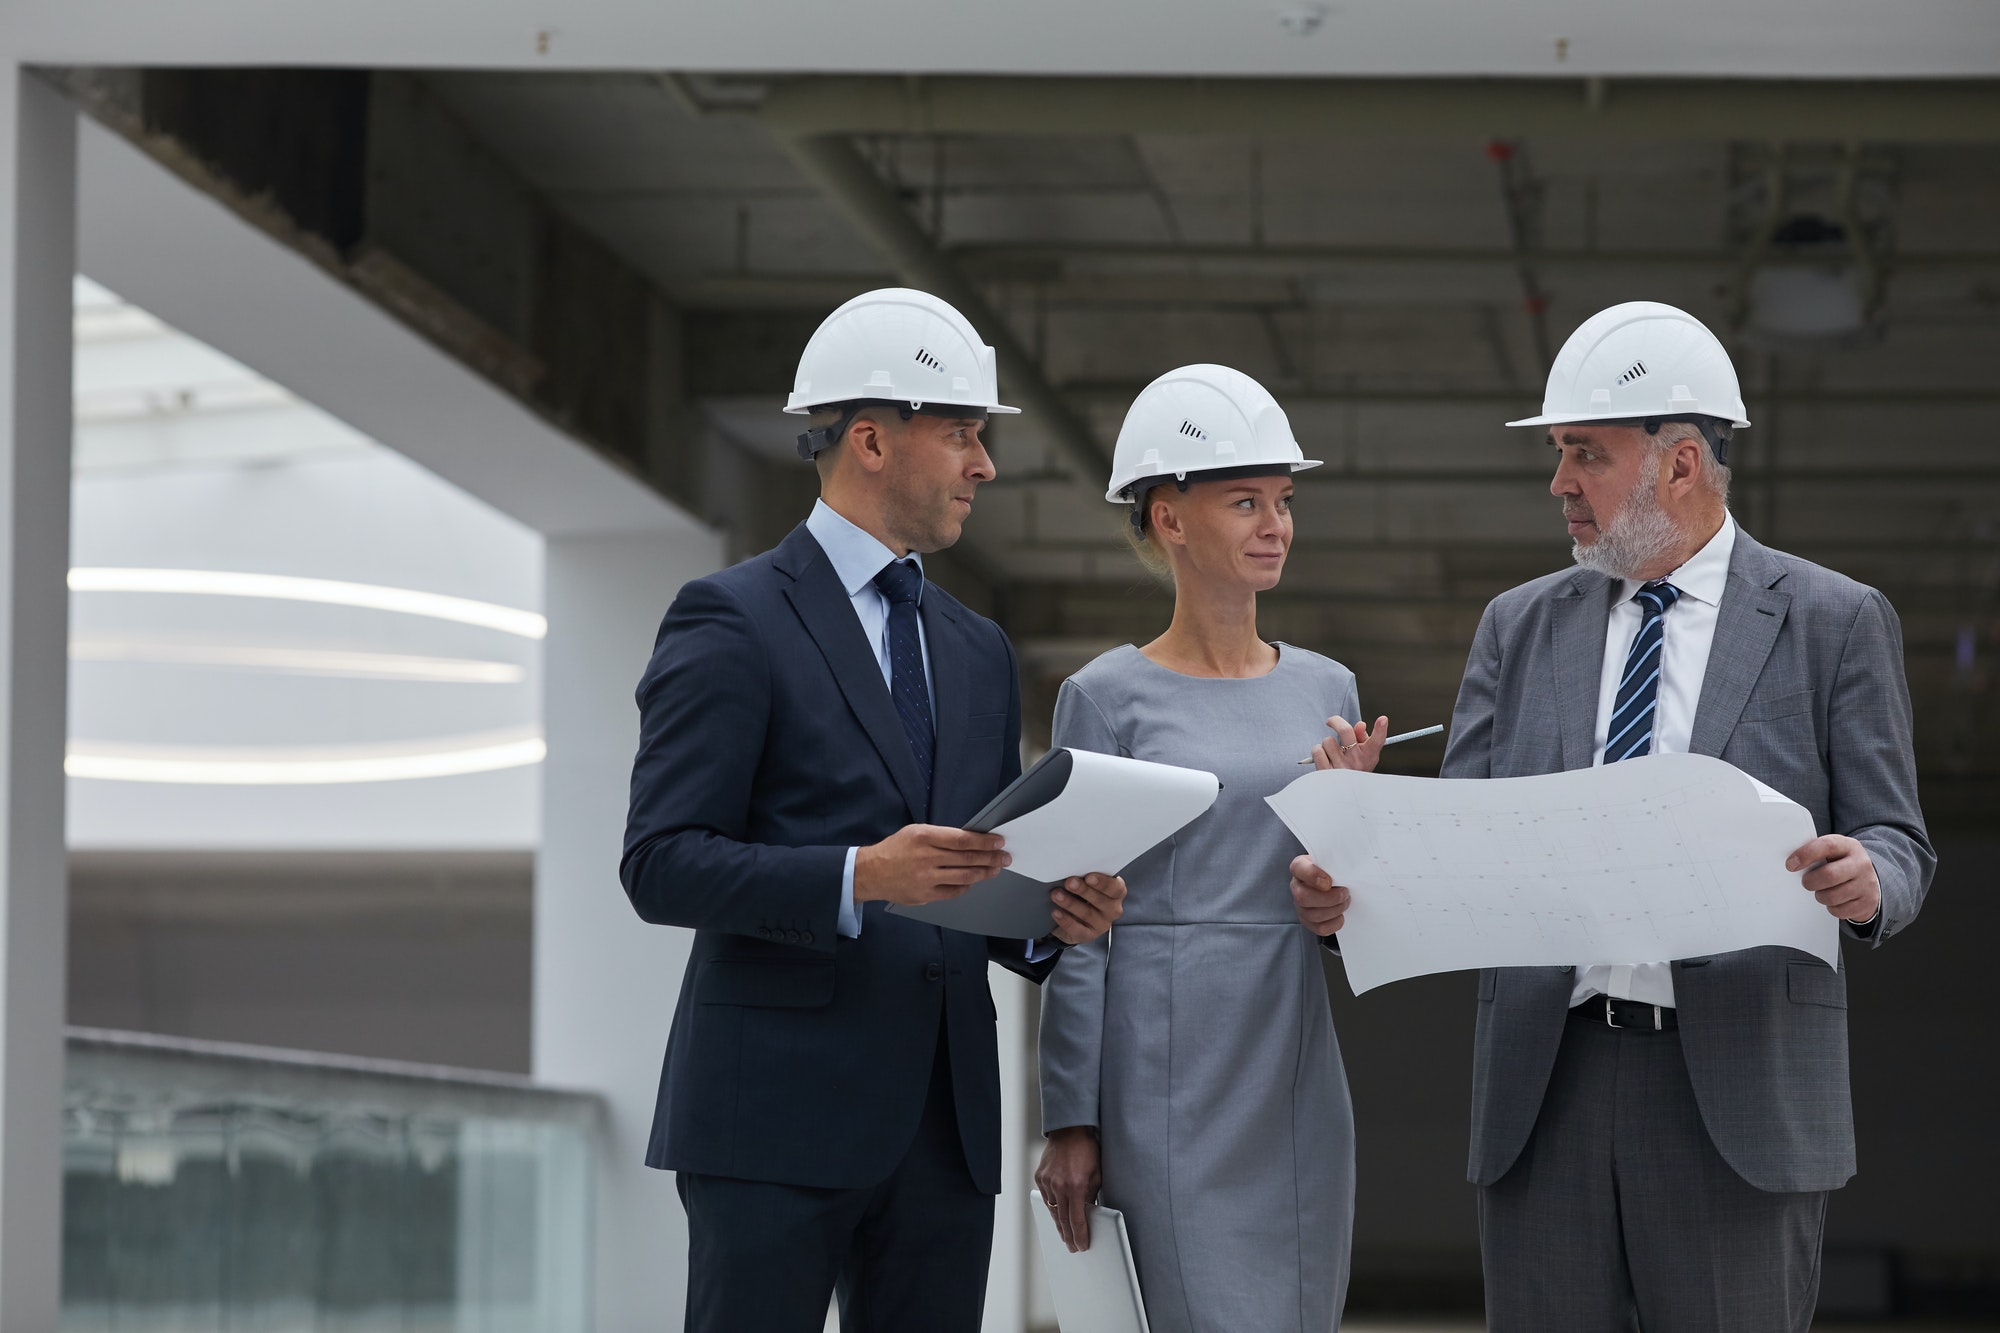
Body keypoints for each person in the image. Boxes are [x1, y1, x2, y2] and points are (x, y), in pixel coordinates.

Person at [1289, 301, 1934, 1332]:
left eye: (1583, 454)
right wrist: (1356, 872)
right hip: (1547, 1091)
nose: (1557, 485)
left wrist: (1867, 881)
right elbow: (1462, 846)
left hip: (1738, 1092)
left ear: (1679, 463)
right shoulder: (1517, 624)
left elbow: (1898, 842)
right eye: (1556, 455)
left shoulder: (1832, 620)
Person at [620, 287, 1128, 1333]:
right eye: (961, 436)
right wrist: (858, 874)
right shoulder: (731, 617)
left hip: (940, 1135)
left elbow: (979, 869)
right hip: (767, 1127)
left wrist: (1049, 917)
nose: (983, 465)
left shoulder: (977, 650)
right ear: (868, 440)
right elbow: (661, 861)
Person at [1035, 365, 1379, 1333]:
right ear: (1169, 517)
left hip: (1293, 1052)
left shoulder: (1330, 686)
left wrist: (1352, 864)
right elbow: (1077, 926)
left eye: (1281, 501)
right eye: (1243, 501)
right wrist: (1072, 1114)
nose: (1275, 523)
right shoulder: (1105, 695)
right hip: (1164, 1059)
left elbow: (1350, 907)